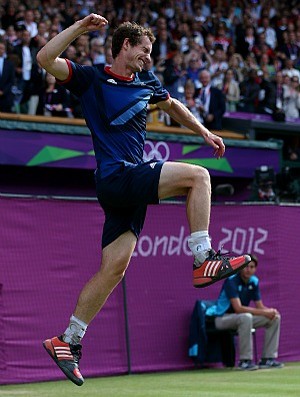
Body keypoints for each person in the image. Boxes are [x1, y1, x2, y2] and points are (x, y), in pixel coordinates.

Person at [37, 13, 250, 386]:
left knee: (114, 269)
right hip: (117, 175)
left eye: (150, 52)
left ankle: (67, 340)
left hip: (126, 189)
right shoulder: (90, 79)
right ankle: (203, 257)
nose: (147, 57)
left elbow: (172, 106)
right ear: (125, 46)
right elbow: (44, 59)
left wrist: (203, 131)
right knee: (198, 176)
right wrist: (80, 29)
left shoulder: (145, 81)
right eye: (143, 51)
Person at [206, 254, 283, 371]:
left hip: (241, 319)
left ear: (255, 269)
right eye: (246, 266)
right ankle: (245, 361)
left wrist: (269, 311)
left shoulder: (254, 281)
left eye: (252, 267)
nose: (249, 269)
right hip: (221, 319)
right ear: (240, 267)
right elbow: (238, 308)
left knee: (275, 317)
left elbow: (260, 306)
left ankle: (268, 359)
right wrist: (264, 312)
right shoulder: (231, 281)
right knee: (246, 317)